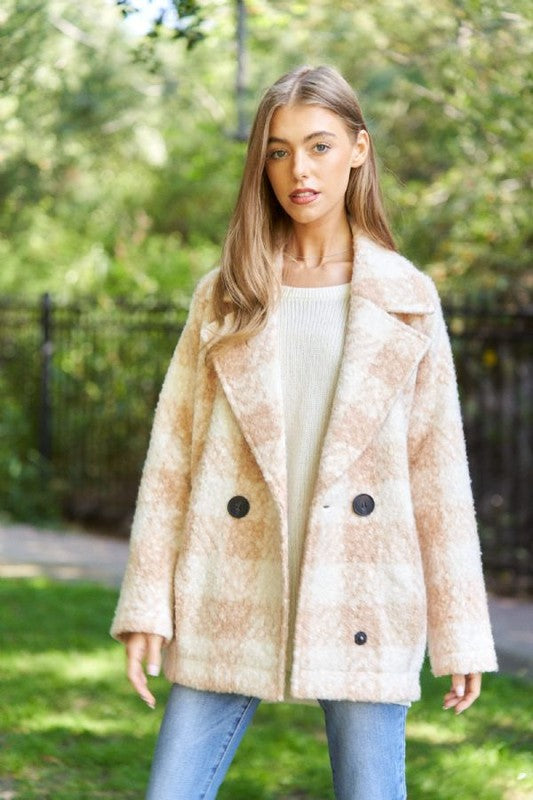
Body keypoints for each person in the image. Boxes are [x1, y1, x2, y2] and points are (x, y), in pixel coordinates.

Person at [110, 64, 498, 800]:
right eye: (279, 151)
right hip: (228, 583)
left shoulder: (407, 298)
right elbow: (171, 461)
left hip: (364, 590)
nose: (300, 171)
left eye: (319, 146)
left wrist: (460, 633)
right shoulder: (227, 295)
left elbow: (438, 475)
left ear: (358, 149)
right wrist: (146, 605)